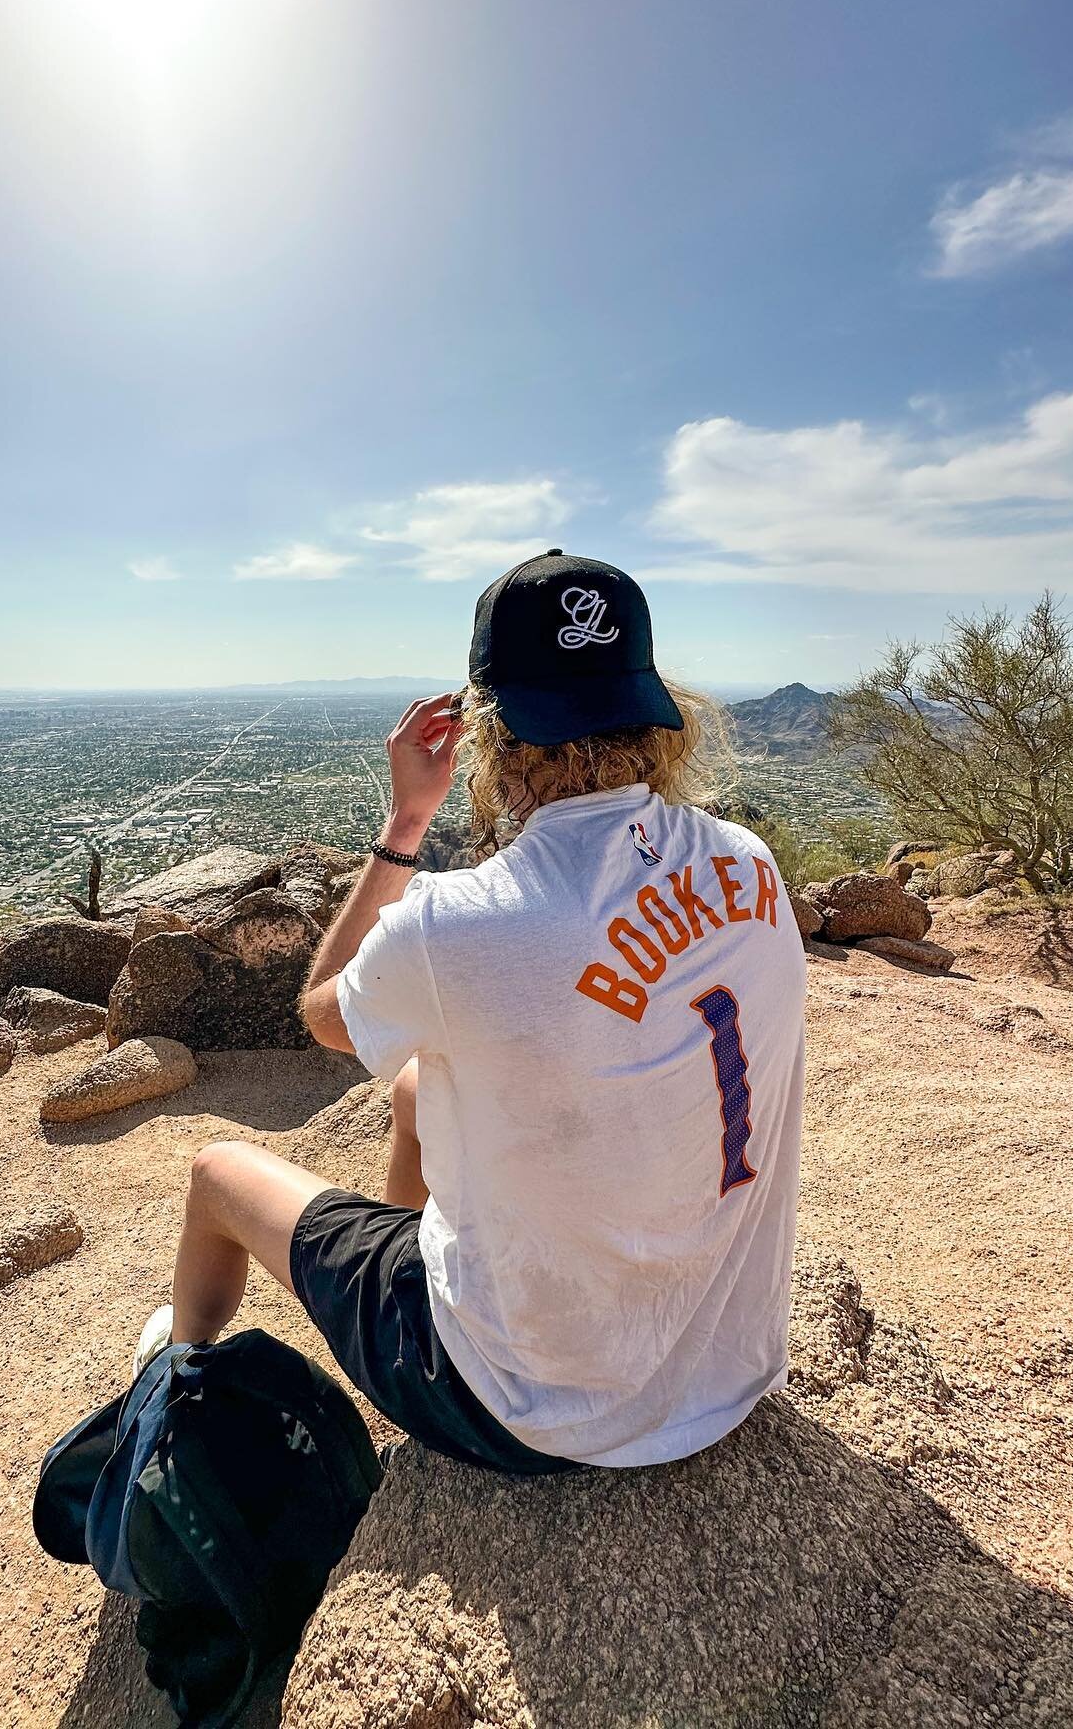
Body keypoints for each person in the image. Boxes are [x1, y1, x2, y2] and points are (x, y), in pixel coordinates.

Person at [135, 550, 806, 1473]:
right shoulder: (747, 861)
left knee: (218, 1175)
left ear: (489, 730)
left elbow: (323, 1012)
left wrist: (407, 821)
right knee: (417, 1093)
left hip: (527, 1410)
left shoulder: (465, 924)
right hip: (722, 1368)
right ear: (655, 710)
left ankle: (176, 1385)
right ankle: (401, 1263)